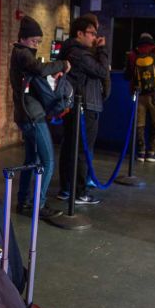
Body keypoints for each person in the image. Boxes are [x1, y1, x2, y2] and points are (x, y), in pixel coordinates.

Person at [9, 16, 70, 219]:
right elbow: (39, 69)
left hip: (26, 115)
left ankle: (24, 202)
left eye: (38, 41)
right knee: (48, 161)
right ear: (23, 38)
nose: (36, 44)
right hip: (33, 115)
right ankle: (39, 205)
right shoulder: (22, 54)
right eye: (34, 40)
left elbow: (37, 72)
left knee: (31, 159)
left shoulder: (20, 55)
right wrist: (62, 64)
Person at [56, 13, 107, 205]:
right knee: (81, 150)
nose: (95, 37)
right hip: (85, 106)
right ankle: (79, 192)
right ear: (80, 33)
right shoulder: (80, 53)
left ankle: (67, 189)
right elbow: (102, 71)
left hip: (76, 106)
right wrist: (102, 50)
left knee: (70, 147)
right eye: (91, 33)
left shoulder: (70, 50)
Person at [124, 33, 155, 162]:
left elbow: (127, 76)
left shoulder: (132, 54)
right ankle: (151, 152)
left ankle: (141, 153)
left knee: (139, 123)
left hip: (139, 94)